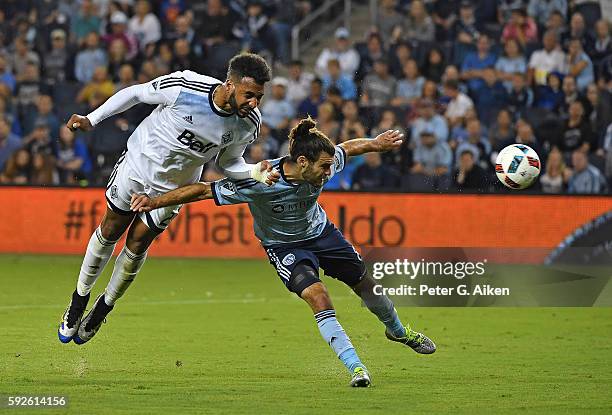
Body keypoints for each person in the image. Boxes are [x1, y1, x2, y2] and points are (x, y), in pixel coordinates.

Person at [131, 118, 436, 387]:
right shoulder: (261, 180)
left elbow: (347, 148)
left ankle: (397, 332)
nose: (329, 173)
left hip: (322, 234)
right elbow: (202, 190)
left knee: (368, 289)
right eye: (324, 167)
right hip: (283, 246)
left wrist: (374, 143)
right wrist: (154, 201)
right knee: (318, 296)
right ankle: (356, 367)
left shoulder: (324, 159)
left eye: (330, 166)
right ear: (302, 162)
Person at [57, 53, 280, 345]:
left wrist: (253, 171)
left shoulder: (249, 123)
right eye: (249, 95)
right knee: (110, 230)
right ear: (229, 84)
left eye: (259, 97)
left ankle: (104, 306)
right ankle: (79, 300)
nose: (254, 103)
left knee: (137, 244)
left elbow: (229, 162)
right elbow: (136, 93)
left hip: (174, 190)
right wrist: (92, 118)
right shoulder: (186, 87)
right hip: (137, 167)